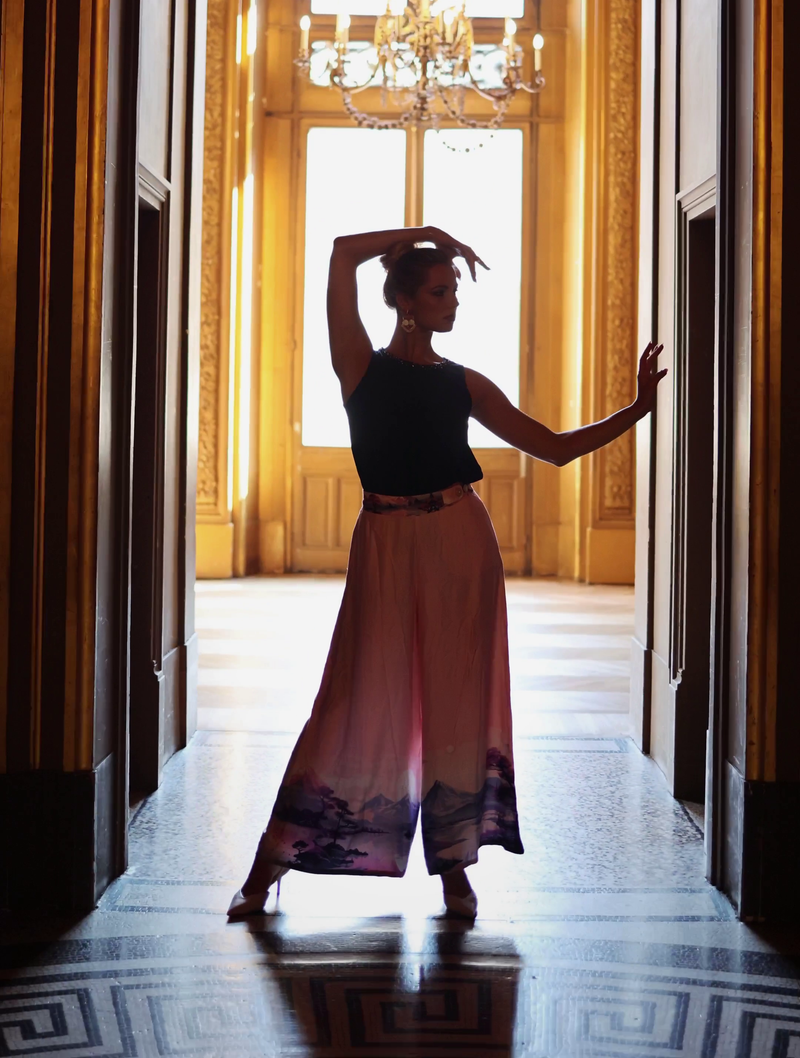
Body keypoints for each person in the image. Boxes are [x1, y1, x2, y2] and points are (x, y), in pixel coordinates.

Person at [228, 225, 666, 920]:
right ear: (404, 301)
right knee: (349, 697)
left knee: (458, 701)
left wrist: (637, 411)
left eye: (453, 291)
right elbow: (342, 251)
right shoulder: (359, 366)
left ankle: (454, 865)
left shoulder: (463, 382)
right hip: (385, 540)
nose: (451, 303)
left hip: (462, 540)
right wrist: (425, 232)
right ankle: (271, 858)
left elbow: (550, 448)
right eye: (439, 292)